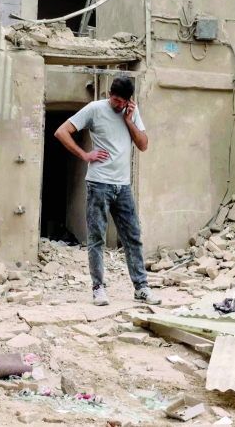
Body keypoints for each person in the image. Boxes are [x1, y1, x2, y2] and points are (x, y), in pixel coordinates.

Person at [54, 76, 161, 306]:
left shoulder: (131, 112)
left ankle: (141, 288)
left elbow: (143, 145)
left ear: (129, 101)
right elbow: (62, 131)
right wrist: (84, 155)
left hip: (123, 186)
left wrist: (130, 120)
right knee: (96, 238)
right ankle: (98, 288)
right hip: (99, 184)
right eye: (115, 100)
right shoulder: (95, 108)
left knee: (132, 237)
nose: (117, 105)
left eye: (122, 102)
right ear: (109, 93)